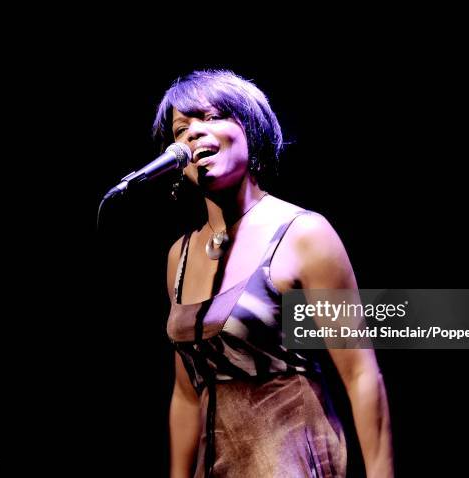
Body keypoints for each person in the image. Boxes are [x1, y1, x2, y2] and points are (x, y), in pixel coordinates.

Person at [153, 70, 393, 478]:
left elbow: (360, 374)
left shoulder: (304, 234)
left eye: (211, 117)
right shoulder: (180, 254)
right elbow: (186, 393)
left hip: (291, 460)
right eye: (181, 128)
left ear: (249, 127)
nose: (194, 133)